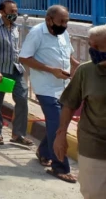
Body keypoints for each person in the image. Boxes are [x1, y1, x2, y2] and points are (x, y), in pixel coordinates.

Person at [20, 5, 80, 183]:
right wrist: (50, 70)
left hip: (63, 87)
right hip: (45, 88)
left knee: (57, 124)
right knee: (58, 126)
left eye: (66, 21)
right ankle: (60, 167)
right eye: (61, 21)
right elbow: (24, 57)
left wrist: (77, 65)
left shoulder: (63, 33)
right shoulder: (37, 33)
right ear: (48, 20)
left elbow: (67, 54)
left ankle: (44, 151)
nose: (64, 25)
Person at [56, 25, 106, 198]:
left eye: (97, 47)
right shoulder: (85, 71)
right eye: (90, 46)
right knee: (94, 192)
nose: (92, 51)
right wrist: (61, 134)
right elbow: (69, 103)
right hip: (94, 143)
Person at [0, 0, 32, 146]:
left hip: (16, 69)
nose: (14, 14)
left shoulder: (16, 28)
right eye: (11, 11)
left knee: (22, 99)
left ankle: (18, 134)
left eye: (15, 11)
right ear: (2, 12)